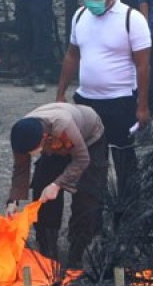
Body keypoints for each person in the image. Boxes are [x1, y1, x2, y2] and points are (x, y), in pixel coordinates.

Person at [56, 0, 151, 195]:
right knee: (87, 159)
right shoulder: (80, 16)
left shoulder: (132, 19)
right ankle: (92, 214)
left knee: (123, 158)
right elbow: (72, 55)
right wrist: (61, 92)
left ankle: (129, 210)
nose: (91, 2)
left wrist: (143, 106)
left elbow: (143, 65)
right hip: (86, 100)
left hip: (120, 101)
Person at [8, 103, 106, 269]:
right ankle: (48, 248)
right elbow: (20, 169)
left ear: (44, 137)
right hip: (54, 148)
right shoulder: (21, 135)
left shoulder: (63, 126)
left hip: (89, 141)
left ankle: (77, 252)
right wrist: (13, 201)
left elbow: (82, 160)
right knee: (42, 188)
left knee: (87, 196)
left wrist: (57, 184)